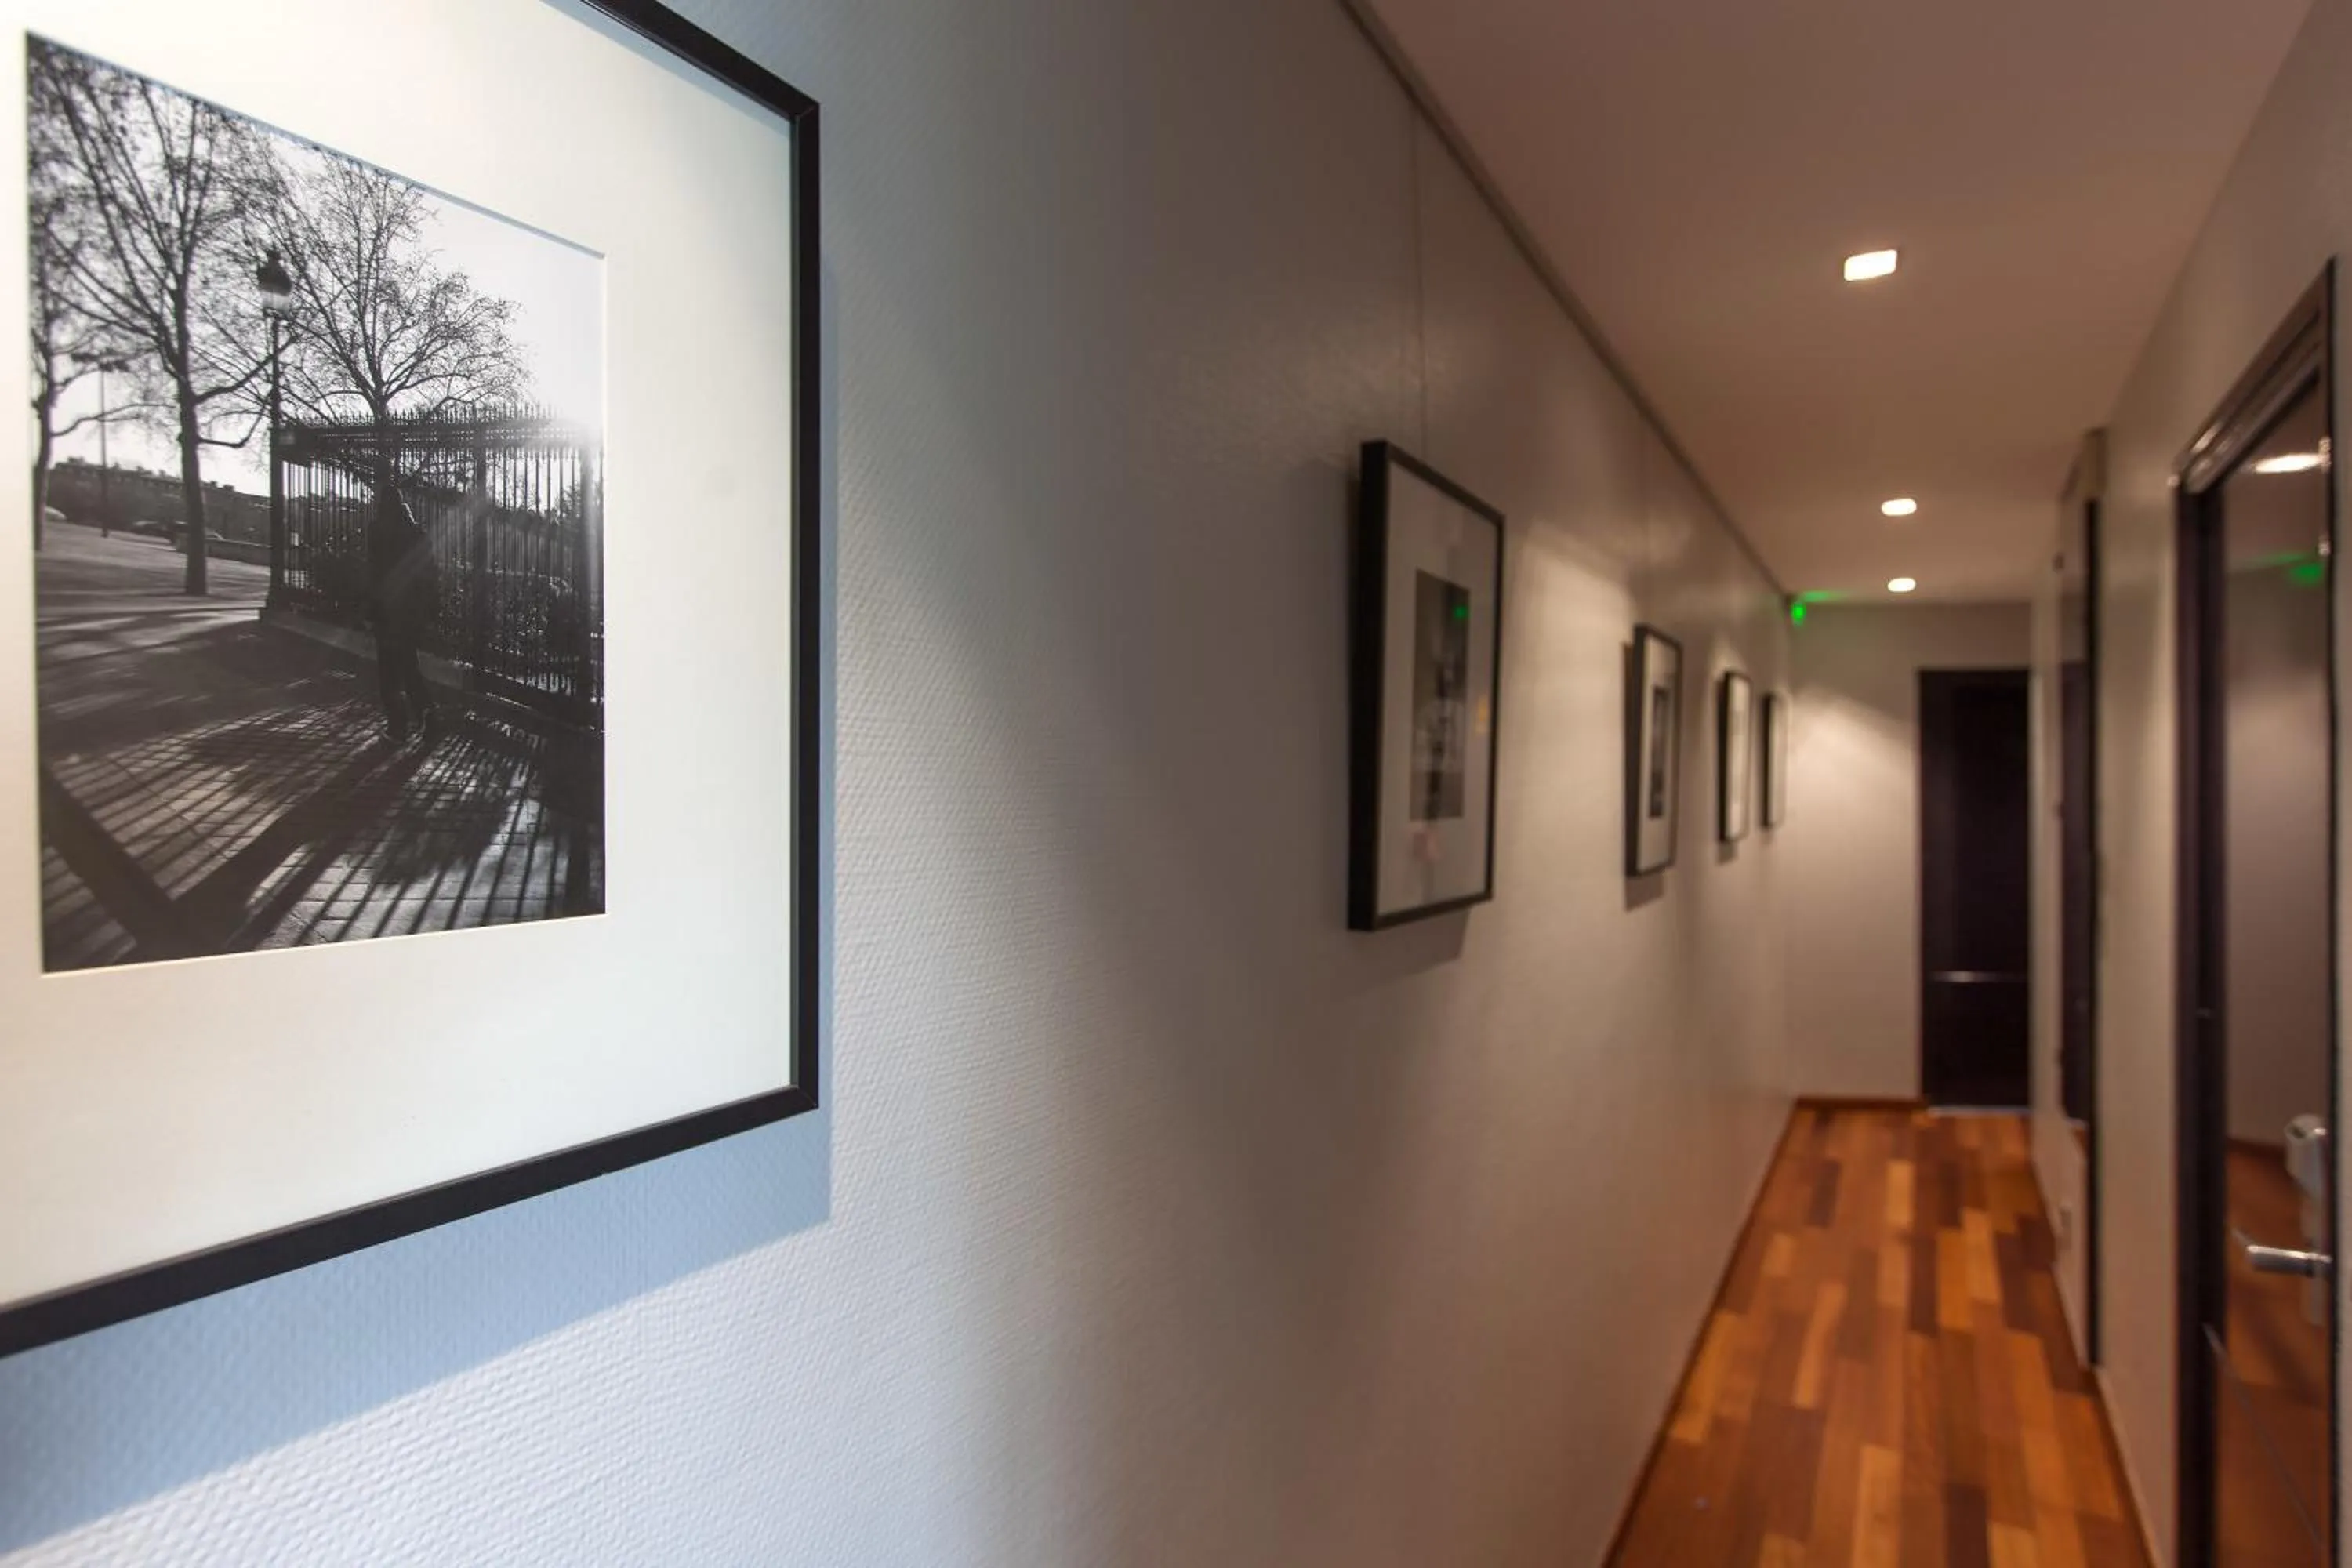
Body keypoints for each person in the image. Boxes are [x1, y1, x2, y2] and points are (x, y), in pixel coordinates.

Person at [368, 468, 440, 742]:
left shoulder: (377, 531)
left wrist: (371, 607)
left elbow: (374, 573)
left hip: (388, 610)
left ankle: (398, 726)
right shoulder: (417, 533)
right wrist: (429, 608)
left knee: (388, 672)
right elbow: (430, 573)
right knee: (409, 666)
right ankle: (430, 715)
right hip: (411, 612)